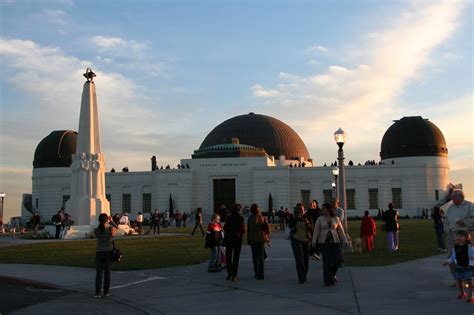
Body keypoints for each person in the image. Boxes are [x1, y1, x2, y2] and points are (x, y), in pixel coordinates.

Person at [312, 203, 347, 286]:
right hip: (323, 243)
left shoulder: (336, 218)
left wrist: (345, 240)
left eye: (324, 208)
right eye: (322, 208)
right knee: (327, 261)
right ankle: (328, 281)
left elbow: (340, 231)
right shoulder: (320, 219)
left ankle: (332, 274)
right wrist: (314, 242)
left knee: (338, 259)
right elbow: (316, 231)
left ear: (328, 209)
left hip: (335, 242)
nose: (322, 210)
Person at [443, 230, 474, 303]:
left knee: (469, 281)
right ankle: (462, 293)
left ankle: (470, 295)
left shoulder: (470, 247)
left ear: (466, 238)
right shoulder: (455, 247)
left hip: (468, 267)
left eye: (461, 236)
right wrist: (448, 261)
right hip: (459, 267)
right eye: (458, 236)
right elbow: (453, 257)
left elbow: (472, 254)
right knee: (459, 281)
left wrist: (473, 257)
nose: (459, 237)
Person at [93, 213, 118, 298]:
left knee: (99, 274)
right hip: (108, 252)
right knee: (107, 273)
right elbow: (117, 228)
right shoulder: (110, 230)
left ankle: (97, 293)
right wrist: (111, 221)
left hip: (99, 252)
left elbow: (97, 231)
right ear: (106, 220)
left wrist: (103, 222)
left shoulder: (96, 230)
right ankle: (106, 292)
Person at [288, 203, 313, 284]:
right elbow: (290, 226)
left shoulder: (308, 217)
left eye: (301, 209)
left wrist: (307, 223)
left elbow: (312, 229)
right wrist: (295, 218)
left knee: (306, 259)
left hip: (306, 240)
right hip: (296, 240)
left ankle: (304, 275)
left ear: (303, 209)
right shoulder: (293, 217)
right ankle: (301, 278)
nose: (300, 211)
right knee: (299, 259)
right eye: (298, 209)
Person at [247, 203, 270, 280]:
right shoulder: (263, 217)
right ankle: (261, 274)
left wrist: (248, 240)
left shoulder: (250, 218)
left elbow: (249, 230)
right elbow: (267, 229)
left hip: (253, 238)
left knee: (254, 257)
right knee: (261, 257)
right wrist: (266, 236)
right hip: (261, 238)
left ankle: (256, 273)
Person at [224, 203, 245, 282]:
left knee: (228, 256)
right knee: (236, 257)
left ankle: (229, 271)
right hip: (237, 239)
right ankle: (234, 275)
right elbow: (242, 230)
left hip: (229, 239)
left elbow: (225, 228)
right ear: (239, 210)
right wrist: (239, 233)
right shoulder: (240, 218)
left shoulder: (228, 217)